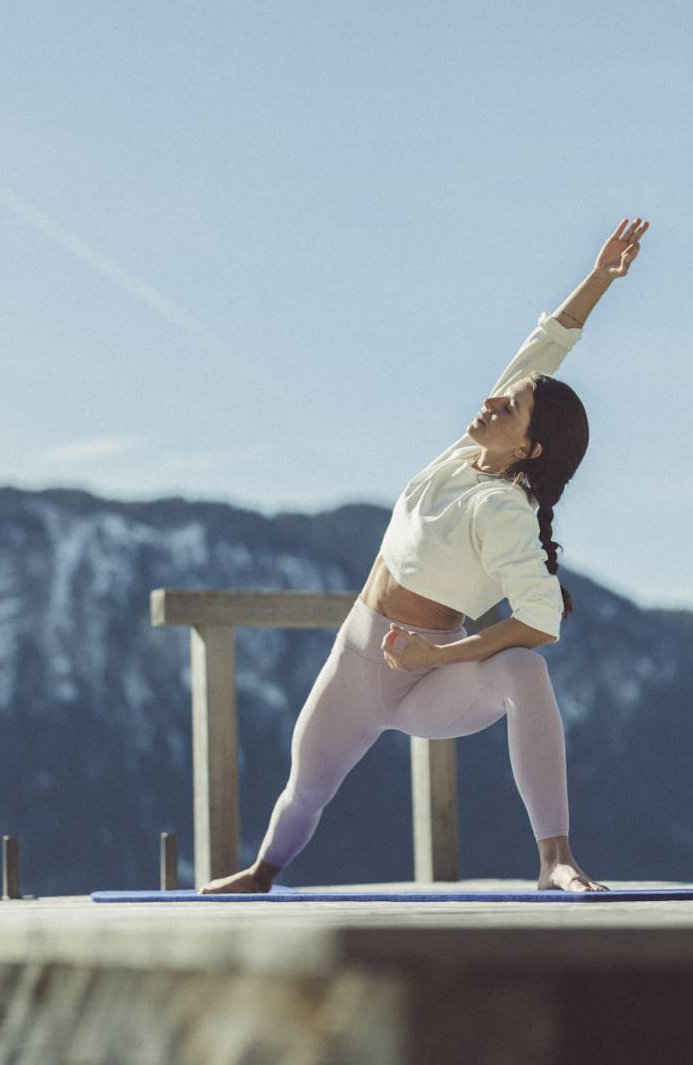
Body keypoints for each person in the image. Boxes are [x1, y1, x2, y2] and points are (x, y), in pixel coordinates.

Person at [200, 217, 650, 894]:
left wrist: (435, 658)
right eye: (503, 396)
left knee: (524, 672)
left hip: (425, 681)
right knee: (305, 788)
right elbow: (547, 346)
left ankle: (555, 858)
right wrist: (599, 278)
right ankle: (263, 873)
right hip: (357, 659)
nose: (493, 400)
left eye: (510, 408)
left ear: (527, 449)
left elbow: (540, 621)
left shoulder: (504, 512)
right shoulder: (468, 454)